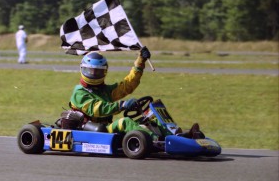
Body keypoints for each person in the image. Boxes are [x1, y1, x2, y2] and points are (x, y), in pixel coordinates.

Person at [69, 47, 202, 140]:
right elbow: (97, 109)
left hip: (104, 130)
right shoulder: (79, 92)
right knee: (125, 122)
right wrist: (122, 105)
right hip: (91, 132)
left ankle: (179, 136)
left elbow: (127, 86)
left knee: (151, 117)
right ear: (83, 69)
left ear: (104, 71)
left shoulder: (104, 90)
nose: (94, 74)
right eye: (90, 71)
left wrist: (140, 63)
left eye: (97, 72)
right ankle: (155, 140)